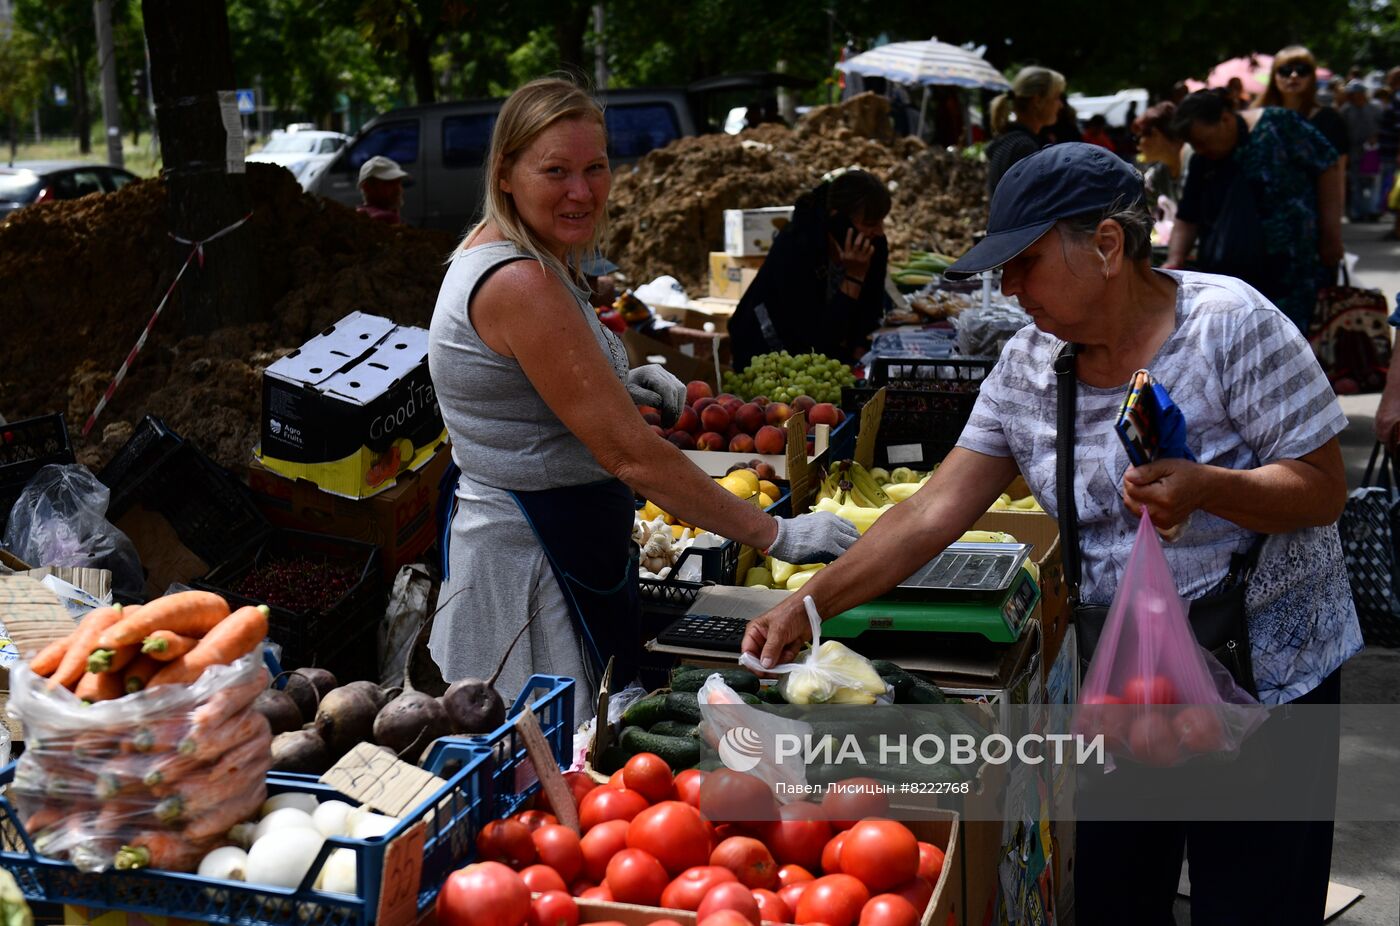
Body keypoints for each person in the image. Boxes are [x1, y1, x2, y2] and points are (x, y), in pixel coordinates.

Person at [741, 142, 1360, 925]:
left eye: (1024, 262)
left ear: (1106, 246)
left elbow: (1323, 490)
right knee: (1113, 897)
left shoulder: (1232, 327)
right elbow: (933, 511)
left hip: (1268, 676)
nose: (1008, 288)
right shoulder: (1030, 365)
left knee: (1255, 900)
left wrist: (1214, 489)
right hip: (1124, 684)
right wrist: (809, 605)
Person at [426, 78, 858, 713]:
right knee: (552, 758)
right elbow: (631, 457)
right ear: (505, 172)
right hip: (534, 566)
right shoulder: (521, 280)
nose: (582, 191)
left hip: (545, 538)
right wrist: (777, 536)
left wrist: (617, 384)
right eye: (556, 171)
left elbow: (525, 387)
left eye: (595, 167)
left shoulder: (519, 252)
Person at [1166, 90, 1343, 331]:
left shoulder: (1279, 125)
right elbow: (1188, 217)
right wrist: (1175, 259)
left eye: (1203, 141)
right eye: (1195, 145)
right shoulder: (1202, 159)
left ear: (1226, 119)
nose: (1200, 149)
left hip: (1294, 271)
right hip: (1232, 283)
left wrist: (1331, 234)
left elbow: (1328, 166)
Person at [727, 169, 890, 371]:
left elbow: (870, 310)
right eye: (870, 224)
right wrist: (855, 277)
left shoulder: (874, 243)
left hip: (821, 356)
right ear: (838, 220)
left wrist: (860, 350)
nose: (879, 231)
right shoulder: (796, 246)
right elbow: (817, 338)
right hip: (768, 351)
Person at [985, 66, 1066, 194]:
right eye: (1057, 97)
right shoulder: (1023, 147)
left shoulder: (1011, 140)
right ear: (1038, 101)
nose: (1060, 105)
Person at [1340, 80, 1382, 220]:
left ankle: (1372, 211)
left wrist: (1376, 137)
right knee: (1355, 183)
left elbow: (1384, 126)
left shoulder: (1375, 108)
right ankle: (1357, 213)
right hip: (1353, 151)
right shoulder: (1346, 110)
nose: (1353, 97)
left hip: (1372, 151)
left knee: (1373, 182)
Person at [1133, 102, 1188, 206]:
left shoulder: (1194, 161)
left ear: (1155, 134)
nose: (1137, 146)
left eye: (1138, 138)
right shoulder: (1159, 174)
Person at [356, 156, 408, 224]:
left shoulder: (358, 214)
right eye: (390, 183)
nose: (398, 189)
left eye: (399, 182)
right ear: (367, 187)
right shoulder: (385, 218)